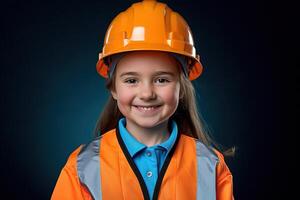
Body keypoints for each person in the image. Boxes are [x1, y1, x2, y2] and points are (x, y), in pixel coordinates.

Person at [51, 0, 235, 199]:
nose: (147, 94)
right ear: (113, 88)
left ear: (182, 87)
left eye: (162, 79)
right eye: (131, 80)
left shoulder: (211, 165)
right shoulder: (82, 167)